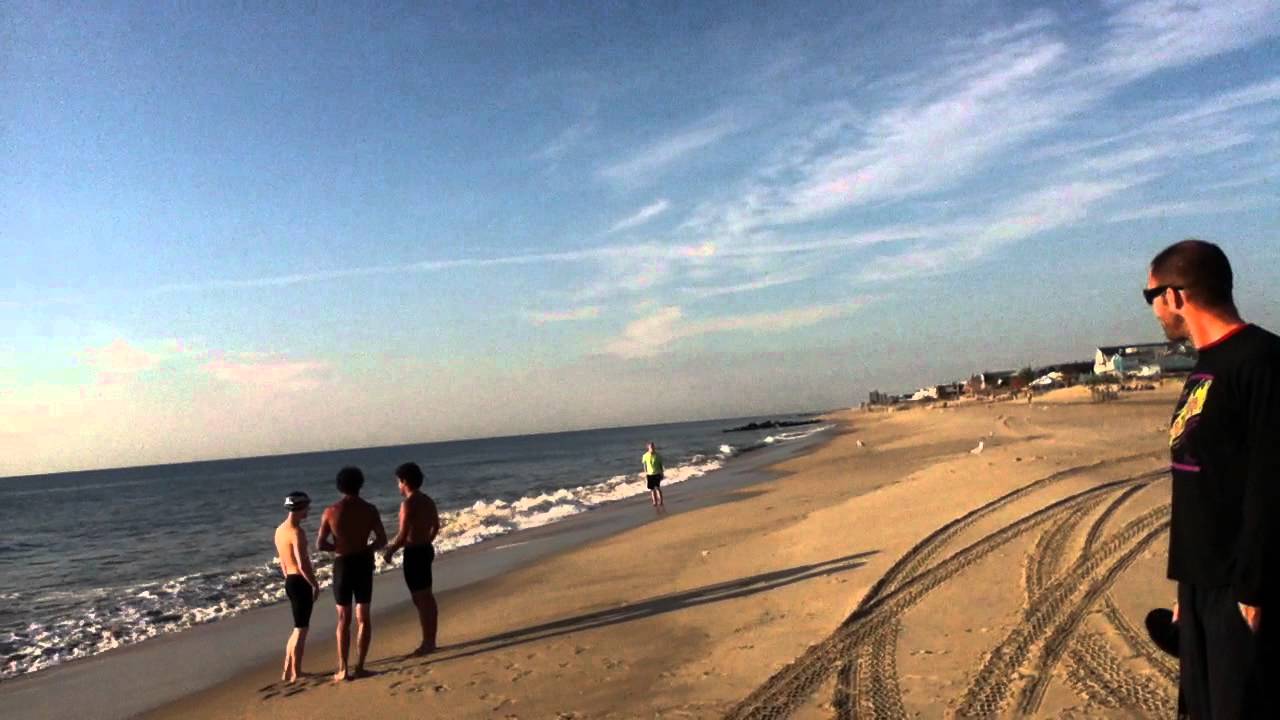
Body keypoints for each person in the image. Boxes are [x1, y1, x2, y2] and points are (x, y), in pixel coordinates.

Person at [1146, 239, 1280, 718]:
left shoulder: (1262, 360)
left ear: (1176, 295)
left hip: (1243, 593)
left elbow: (1271, 481)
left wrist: (1254, 590)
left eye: (1152, 297)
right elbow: (1202, 485)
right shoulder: (1206, 366)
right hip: (1202, 590)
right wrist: (1188, 588)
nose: (1155, 311)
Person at [317, 466, 387, 681]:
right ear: (360, 484)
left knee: (343, 618)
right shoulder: (370, 509)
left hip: (343, 564)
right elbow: (382, 539)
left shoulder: (330, 511)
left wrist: (339, 548)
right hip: (363, 562)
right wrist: (366, 548)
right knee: (363, 616)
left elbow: (320, 544)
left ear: (340, 486)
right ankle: (361, 666)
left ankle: (343, 668)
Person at [382, 462, 442, 656]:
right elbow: (435, 525)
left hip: (415, 552)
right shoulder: (427, 500)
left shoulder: (409, 503)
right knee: (425, 596)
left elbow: (402, 534)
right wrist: (427, 540)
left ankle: (428, 642)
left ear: (404, 481)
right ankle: (430, 639)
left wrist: (390, 550)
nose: (397, 486)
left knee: (421, 598)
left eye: (398, 482)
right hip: (425, 548)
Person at [274, 491, 319, 683]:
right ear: (300, 508)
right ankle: (296, 672)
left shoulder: (279, 530)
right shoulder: (296, 532)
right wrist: (314, 584)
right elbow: (302, 563)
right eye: (307, 506)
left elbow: (283, 563)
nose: (309, 510)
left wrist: (288, 579)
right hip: (300, 581)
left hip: (289, 581)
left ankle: (287, 670)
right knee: (302, 629)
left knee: (296, 628)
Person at [642, 442, 665, 507]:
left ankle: (661, 501)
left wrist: (662, 473)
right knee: (652, 489)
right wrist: (646, 474)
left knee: (657, 488)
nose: (653, 448)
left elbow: (661, 465)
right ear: (648, 448)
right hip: (649, 474)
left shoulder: (658, 455)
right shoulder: (645, 456)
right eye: (651, 447)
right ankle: (655, 502)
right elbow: (645, 465)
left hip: (657, 473)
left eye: (653, 447)